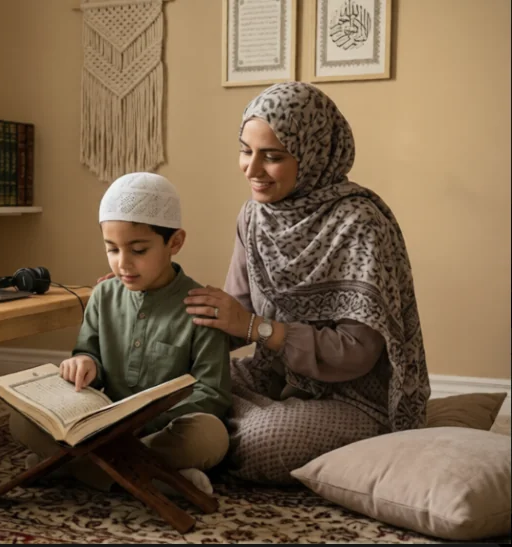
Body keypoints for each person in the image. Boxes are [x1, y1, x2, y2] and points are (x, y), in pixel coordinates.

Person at [173, 82, 431, 484]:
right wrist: (149, 297)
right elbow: (233, 315)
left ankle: (189, 446)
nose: (252, 169)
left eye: (272, 157)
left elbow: (357, 352)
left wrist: (255, 327)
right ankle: (191, 444)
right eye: (245, 150)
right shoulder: (254, 217)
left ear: (314, 154)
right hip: (273, 378)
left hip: (352, 397)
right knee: (169, 389)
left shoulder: (359, 223)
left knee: (261, 442)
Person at [9, 172, 234, 495]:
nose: (123, 263)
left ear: (175, 242)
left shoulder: (201, 306)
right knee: (21, 419)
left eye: (138, 250)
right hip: (99, 424)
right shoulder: (103, 296)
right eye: (112, 249)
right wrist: (84, 363)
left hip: (157, 432)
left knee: (209, 435)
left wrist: (143, 423)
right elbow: (89, 355)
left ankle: (72, 467)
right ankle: (154, 478)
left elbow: (212, 394)